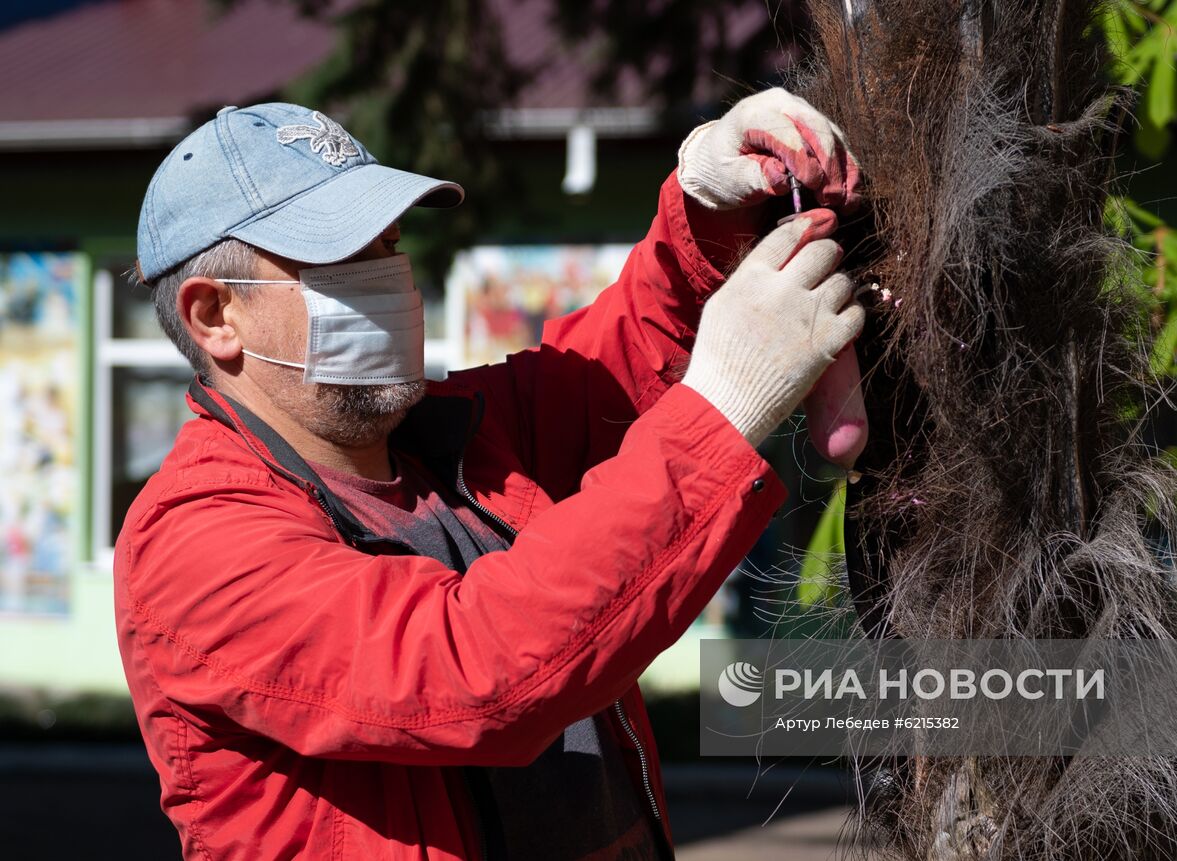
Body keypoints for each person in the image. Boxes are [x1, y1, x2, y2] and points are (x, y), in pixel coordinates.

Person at [115, 91, 863, 860]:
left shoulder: (455, 437)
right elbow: (469, 667)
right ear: (214, 316)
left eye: (390, 242)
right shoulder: (195, 539)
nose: (392, 278)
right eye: (342, 257)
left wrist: (703, 213)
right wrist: (721, 412)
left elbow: (620, 363)